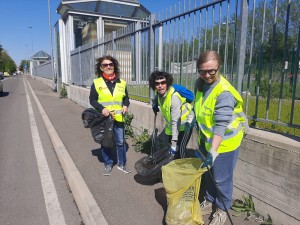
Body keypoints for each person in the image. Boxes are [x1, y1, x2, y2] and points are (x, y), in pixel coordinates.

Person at [194, 50, 248, 225]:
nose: (207, 75)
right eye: (203, 71)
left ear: (219, 67)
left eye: (212, 71)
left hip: (225, 142)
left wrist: (214, 152)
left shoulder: (224, 92)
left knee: (221, 178)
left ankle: (222, 209)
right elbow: (200, 107)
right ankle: (210, 201)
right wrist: (190, 120)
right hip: (207, 140)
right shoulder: (200, 84)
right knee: (209, 175)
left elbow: (221, 125)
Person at [89, 55, 130, 176]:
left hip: (118, 118)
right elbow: (92, 100)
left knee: (121, 141)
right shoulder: (97, 83)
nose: (108, 66)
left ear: (114, 66)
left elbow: (126, 98)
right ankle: (108, 163)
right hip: (105, 119)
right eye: (105, 65)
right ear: (101, 68)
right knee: (106, 141)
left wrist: (126, 105)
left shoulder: (122, 83)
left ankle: (122, 164)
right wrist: (102, 109)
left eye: (110, 64)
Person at [149, 71, 194, 159]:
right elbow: (156, 98)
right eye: (157, 83)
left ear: (167, 83)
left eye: (163, 82)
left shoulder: (174, 97)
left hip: (185, 125)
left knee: (180, 149)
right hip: (175, 125)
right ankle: (173, 167)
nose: (160, 85)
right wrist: (154, 104)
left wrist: (174, 144)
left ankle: (182, 169)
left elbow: (175, 121)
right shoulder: (160, 95)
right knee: (171, 150)